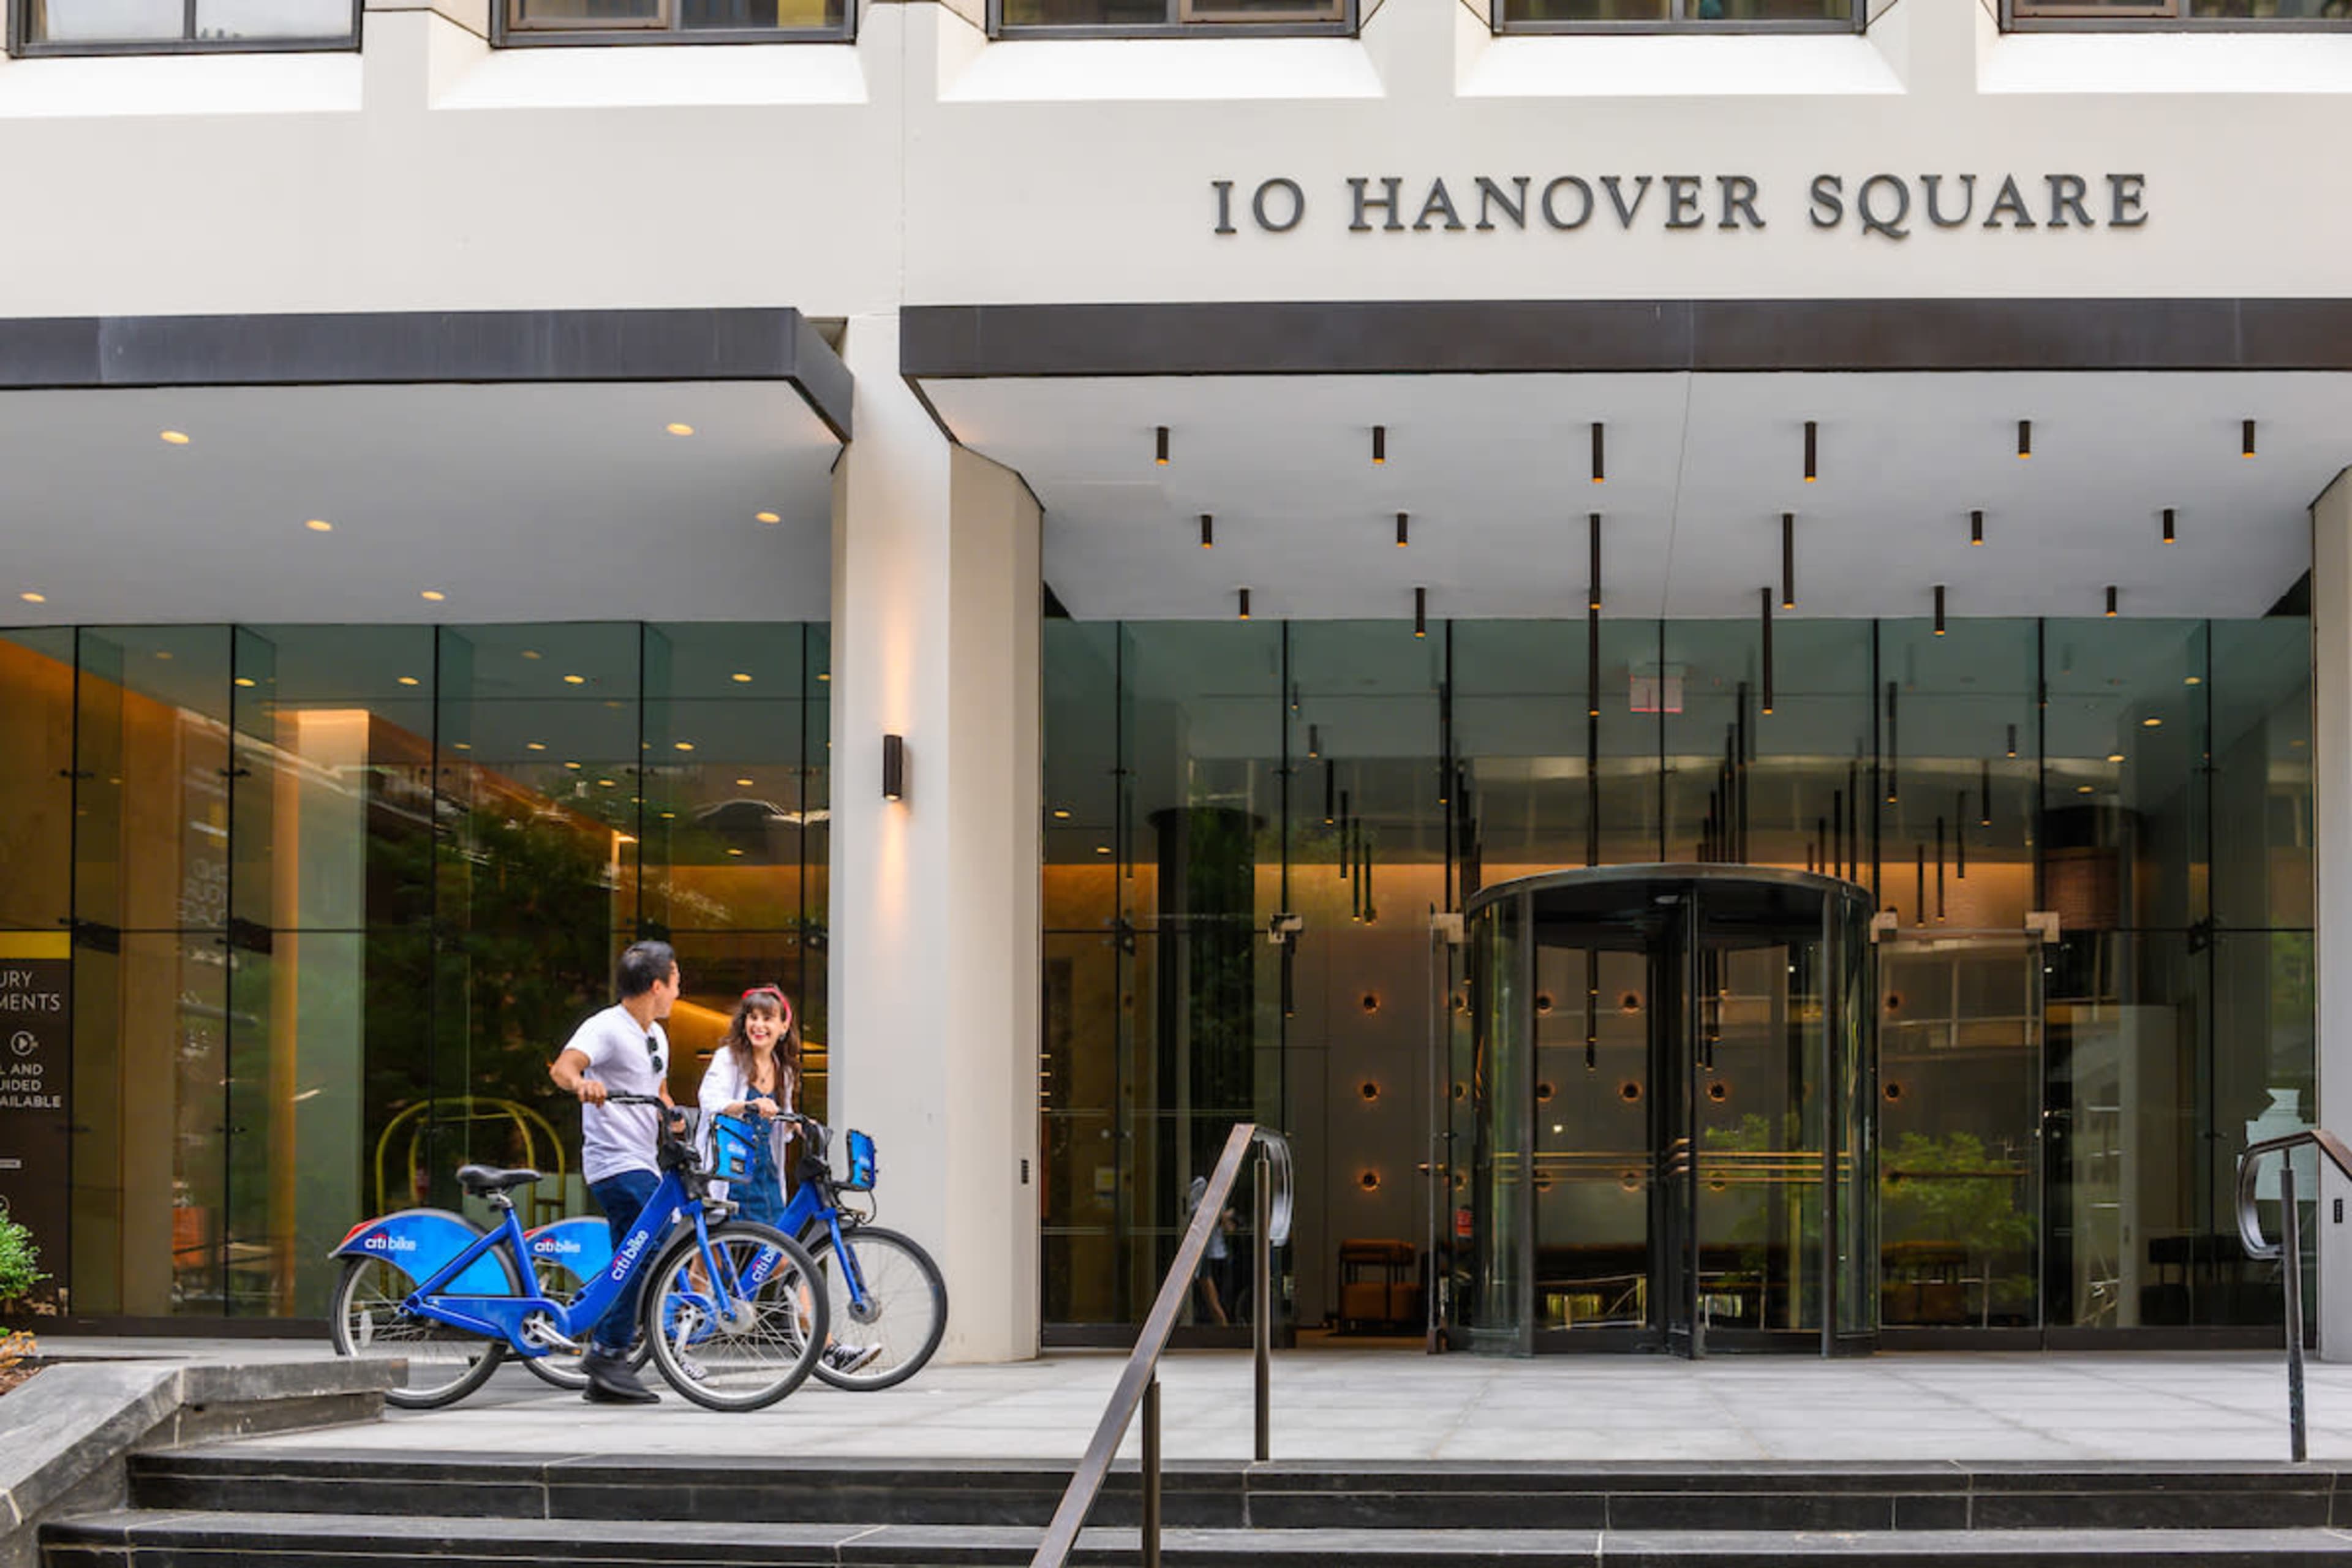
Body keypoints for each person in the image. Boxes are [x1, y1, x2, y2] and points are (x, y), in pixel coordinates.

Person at [695, 984, 881, 1376]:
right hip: (728, 1176)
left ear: (784, 1027)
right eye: (753, 1017)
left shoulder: (784, 1069)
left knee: (790, 1262)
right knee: (705, 1262)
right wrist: (748, 1105)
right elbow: (709, 1103)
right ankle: (678, 1346)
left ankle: (826, 1349)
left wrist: (797, 1125)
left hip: (763, 1180)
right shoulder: (729, 1058)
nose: (759, 1025)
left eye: (768, 1018)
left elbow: (781, 1118)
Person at [548, 939, 680, 1404]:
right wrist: (581, 1085)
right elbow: (563, 1069)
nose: (679, 992)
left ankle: (607, 1368)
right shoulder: (605, 1027)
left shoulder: (656, 1035)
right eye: (676, 982)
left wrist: (675, 1117)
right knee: (653, 1241)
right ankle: (608, 1352)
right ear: (656, 985)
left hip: (643, 1160)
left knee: (636, 1252)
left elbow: (658, 1090)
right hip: (614, 1161)